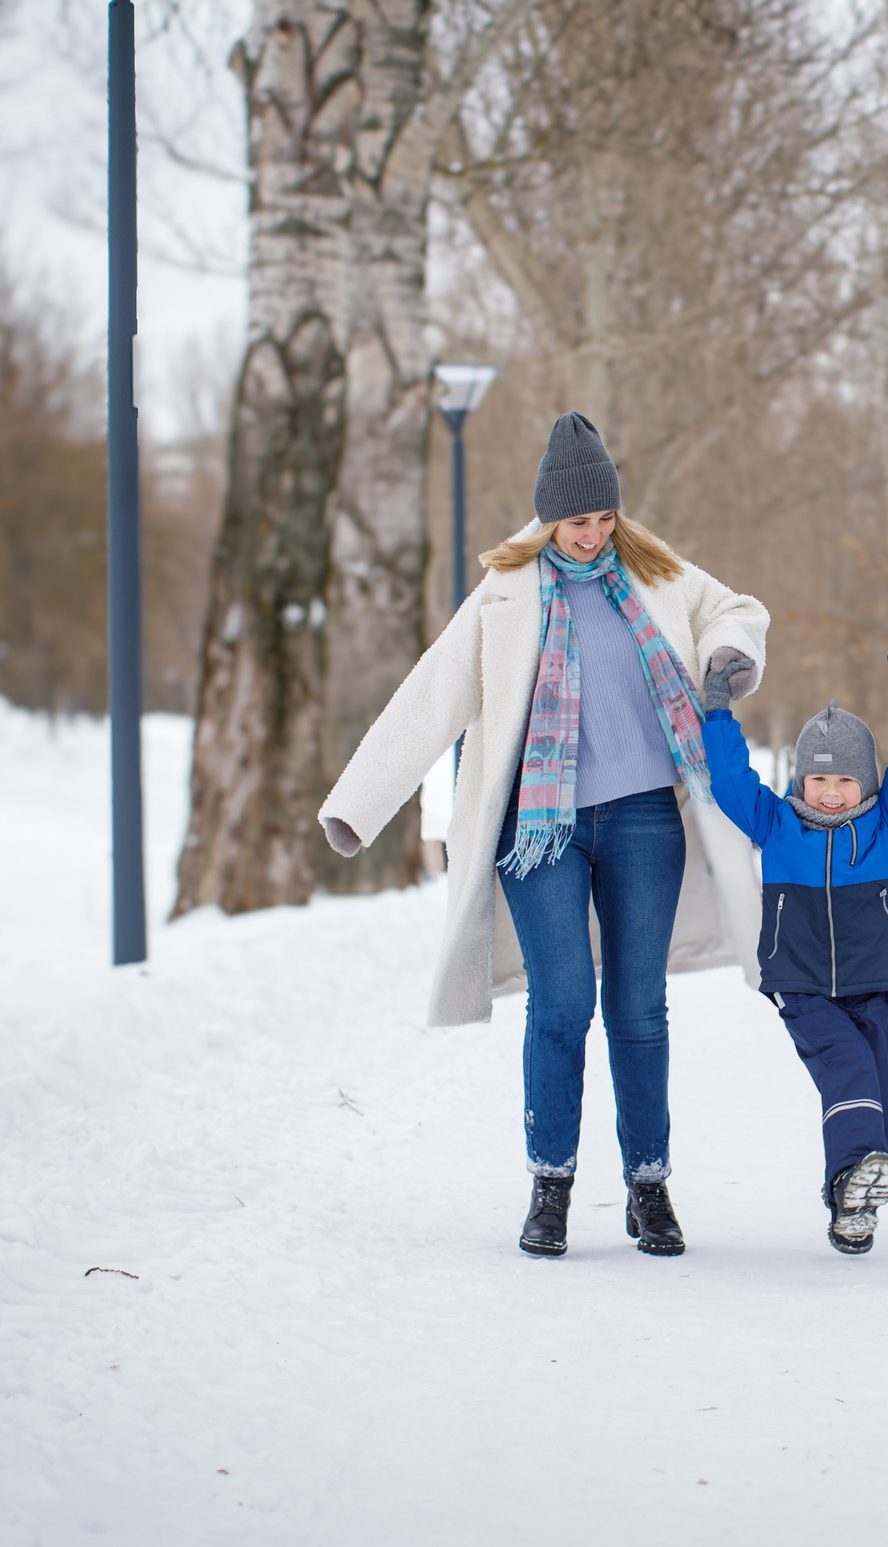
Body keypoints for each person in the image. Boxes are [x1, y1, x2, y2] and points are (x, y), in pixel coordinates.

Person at [318, 412, 771, 1261]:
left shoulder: (656, 569)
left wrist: (726, 657)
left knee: (638, 1007)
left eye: (605, 518)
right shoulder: (505, 595)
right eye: (578, 521)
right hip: (542, 828)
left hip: (644, 817)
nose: (594, 535)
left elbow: (734, 610)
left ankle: (649, 1185)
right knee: (562, 1002)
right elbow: (428, 698)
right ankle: (551, 1184)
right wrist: (357, 805)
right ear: (548, 516)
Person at [699, 650, 888, 1254]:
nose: (831, 794)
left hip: (874, 980)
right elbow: (728, 781)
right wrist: (718, 710)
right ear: (800, 778)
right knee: (849, 1072)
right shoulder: (777, 824)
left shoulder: (886, 822)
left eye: (845, 779)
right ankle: (855, 1174)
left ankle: (850, 1204)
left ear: (866, 782)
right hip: (803, 984)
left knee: (883, 1104)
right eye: (819, 779)